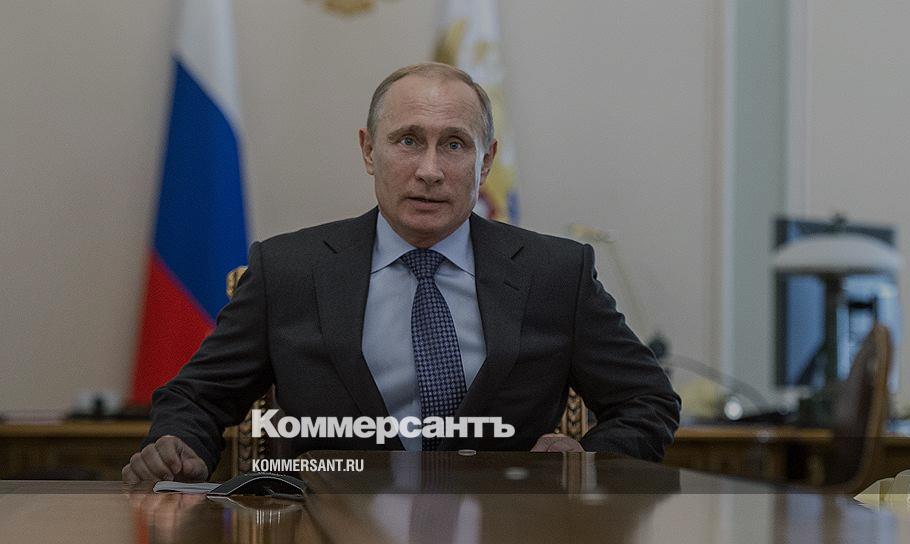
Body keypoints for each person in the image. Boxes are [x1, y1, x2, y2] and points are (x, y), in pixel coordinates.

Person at [122, 62, 680, 483]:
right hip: (327, 526)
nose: (429, 170)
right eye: (408, 141)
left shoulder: (555, 273)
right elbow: (196, 398)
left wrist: (589, 459)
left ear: (486, 162)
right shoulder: (289, 270)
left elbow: (647, 402)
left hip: (506, 526)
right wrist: (178, 446)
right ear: (369, 151)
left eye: (454, 145)